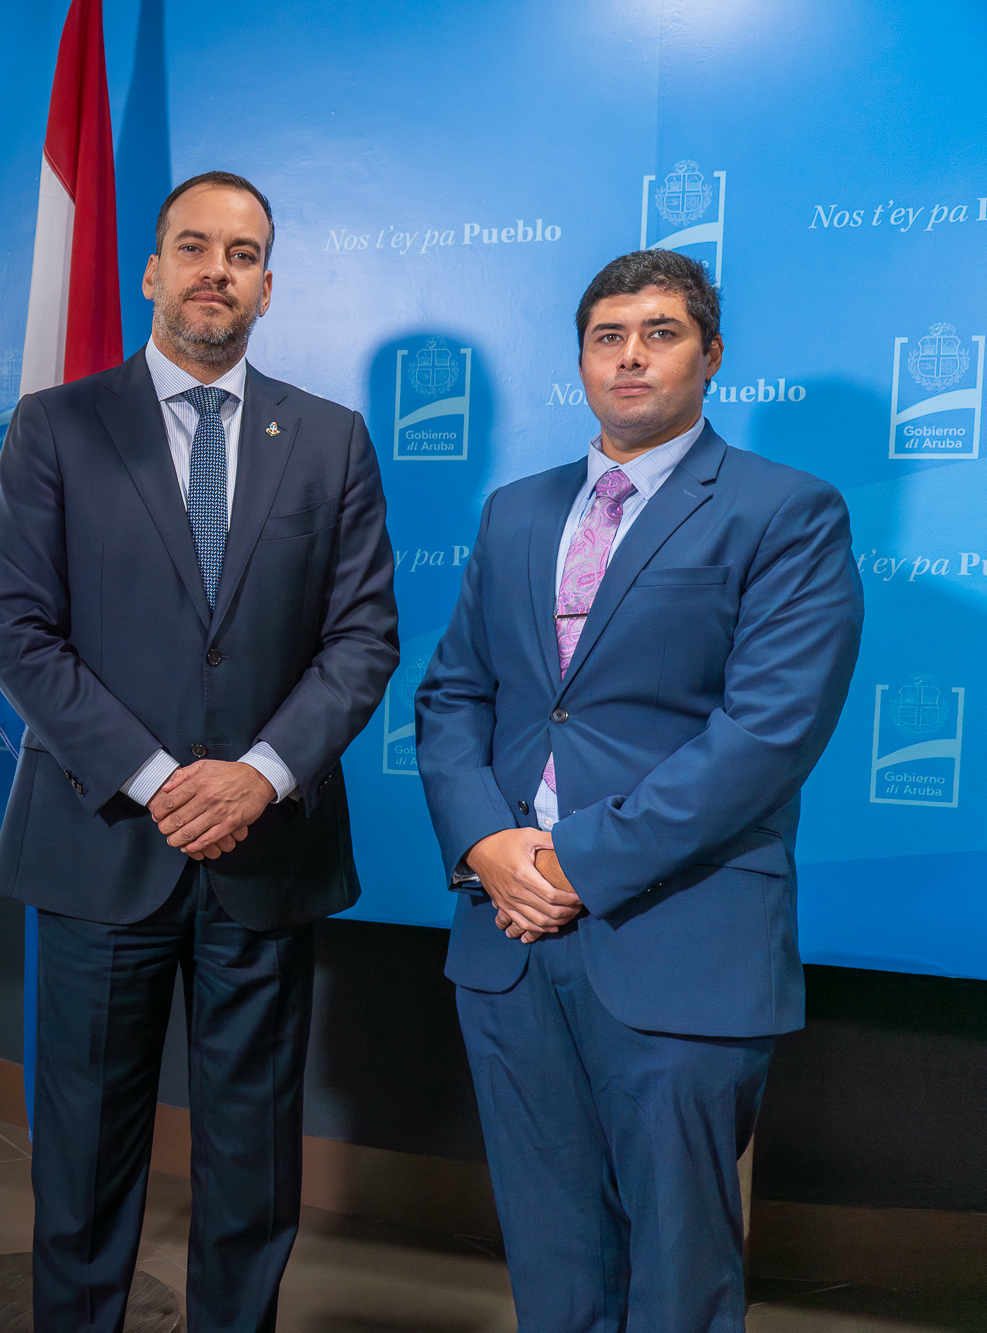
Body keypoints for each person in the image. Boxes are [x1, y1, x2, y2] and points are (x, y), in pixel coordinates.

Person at [0, 170, 398, 1332]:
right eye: (195, 247)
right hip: (101, 839)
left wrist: (256, 776)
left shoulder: (329, 439)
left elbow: (362, 637)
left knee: (252, 1160)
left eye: (243, 253)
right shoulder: (55, 427)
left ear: (266, 286)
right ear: (151, 271)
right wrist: (163, 782)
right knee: (81, 1155)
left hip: (266, 851)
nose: (218, 270)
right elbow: (18, 632)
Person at [415, 249, 863, 1331]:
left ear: (711, 355)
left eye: (660, 333)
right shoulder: (515, 511)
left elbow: (764, 735)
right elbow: (452, 695)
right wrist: (485, 846)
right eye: (606, 336)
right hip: (507, 940)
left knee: (676, 1271)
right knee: (553, 1258)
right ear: (579, 358)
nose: (629, 356)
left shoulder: (786, 511)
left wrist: (571, 861)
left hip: (679, 938)